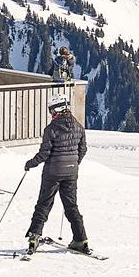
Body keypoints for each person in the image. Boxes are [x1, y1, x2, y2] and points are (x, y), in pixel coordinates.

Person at [25, 93, 90, 255]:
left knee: (44, 204)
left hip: (52, 173)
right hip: (71, 173)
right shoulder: (79, 127)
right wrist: (74, 163)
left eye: (51, 110)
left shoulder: (51, 129)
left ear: (56, 109)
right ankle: (81, 240)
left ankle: (34, 237)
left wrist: (30, 163)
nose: (50, 113)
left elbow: (44, 154)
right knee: (71, 206)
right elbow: (83, 149)